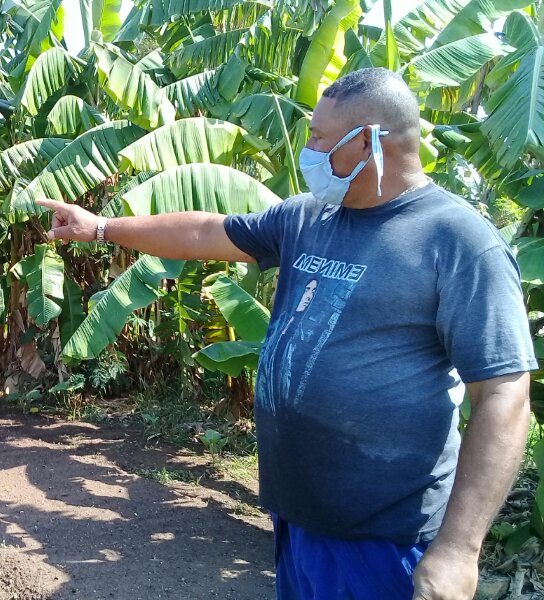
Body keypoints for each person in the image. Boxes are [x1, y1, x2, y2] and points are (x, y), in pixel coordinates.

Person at [36, 68, 537, 600]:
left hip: (384, 536)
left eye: (320, 138)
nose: (310, 149)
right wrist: (102, 227)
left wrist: (459, 551)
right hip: (298, 517)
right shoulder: (309, 216)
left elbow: (504, 395)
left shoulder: (456, 240)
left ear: (366, 142)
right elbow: (207, 230)